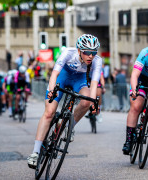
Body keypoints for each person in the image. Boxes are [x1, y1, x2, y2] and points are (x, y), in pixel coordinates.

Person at [27, 34, 102, 169]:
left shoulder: (97, 61)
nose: (91, 56)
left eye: (94, 52)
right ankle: (35, 152)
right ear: (79, 50)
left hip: (79, 81)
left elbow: (94, 84)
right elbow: (54, 74)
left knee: (85, 102)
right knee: (49, 112)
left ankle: (69, 125)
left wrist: (93, 103)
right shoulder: (68, 52)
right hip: (62, 78)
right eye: (87, 52)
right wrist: (51, 90)